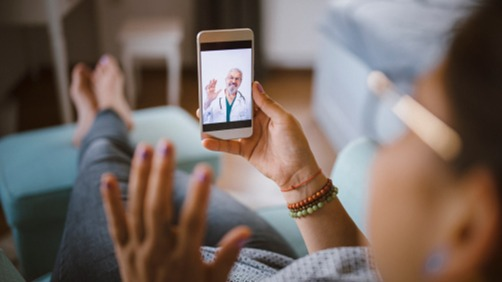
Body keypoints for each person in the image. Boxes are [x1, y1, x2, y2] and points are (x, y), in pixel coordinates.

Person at [52, 0, 502, 281]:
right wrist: (300, 179)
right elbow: (359, 270)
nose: (389, 141)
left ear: (468, 228)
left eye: (407, 116)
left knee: (105, 175)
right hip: (287, 267)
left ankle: (103, 116)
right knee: (159, 178)